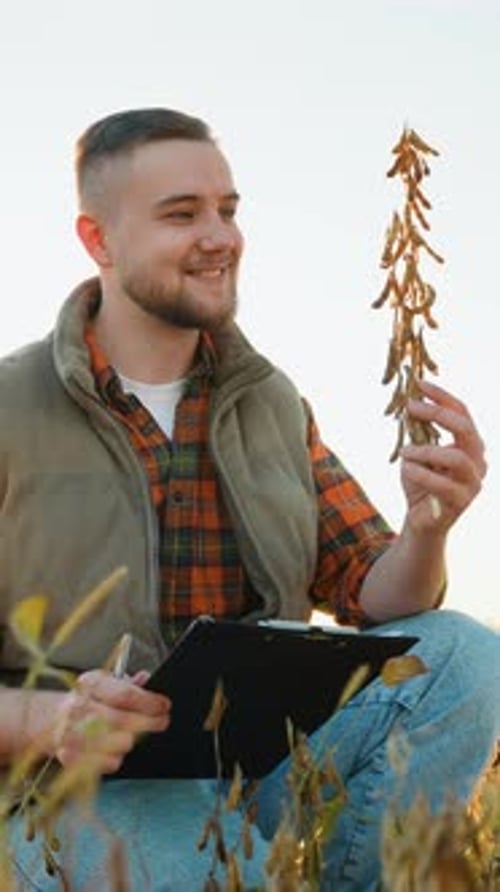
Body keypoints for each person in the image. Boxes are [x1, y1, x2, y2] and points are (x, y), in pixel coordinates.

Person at [1, 107, 498, 891]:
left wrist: (430, 525)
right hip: (71, 785)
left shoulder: (271, 400)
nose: (220, 237)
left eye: (227, 210)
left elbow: (376, 596)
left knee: (465, 655)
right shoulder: (9, 407)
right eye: (181, 214)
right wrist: (49, 722)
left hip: (259, 758)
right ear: (98, 241)